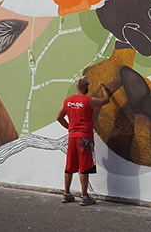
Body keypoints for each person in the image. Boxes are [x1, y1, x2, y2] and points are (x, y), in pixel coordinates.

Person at [56, 76, 110, 206]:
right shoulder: (88, 101)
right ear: (85, 86)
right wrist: (103, 88)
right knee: (84, 167)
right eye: (87, 86)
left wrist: (70, 127)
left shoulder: (68, 101)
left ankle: (67, 194)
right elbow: (105, 100)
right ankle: (84, 196)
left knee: (69, 166)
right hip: (85, 138)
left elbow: (59, 117)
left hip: (72, 137)